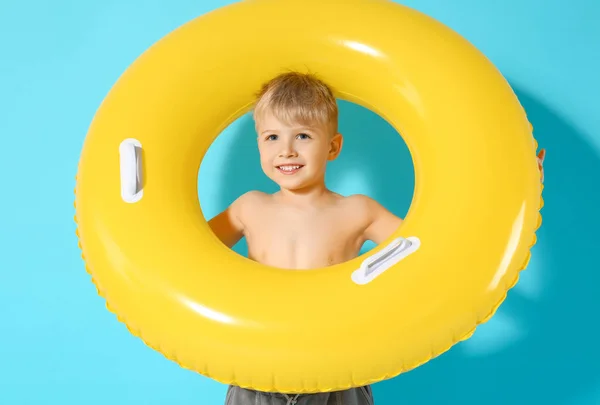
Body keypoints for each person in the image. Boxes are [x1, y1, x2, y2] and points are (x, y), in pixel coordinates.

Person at [208, 71, 546, 405]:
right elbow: (189, 252)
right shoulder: (248, 208)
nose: (287, 151)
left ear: (333, 146)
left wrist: (521, 189)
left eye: (303, 136)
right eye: (272, 138)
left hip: (337, 369)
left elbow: (435, 249)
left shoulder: (357, 211)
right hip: (258, 368)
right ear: (259, 145)